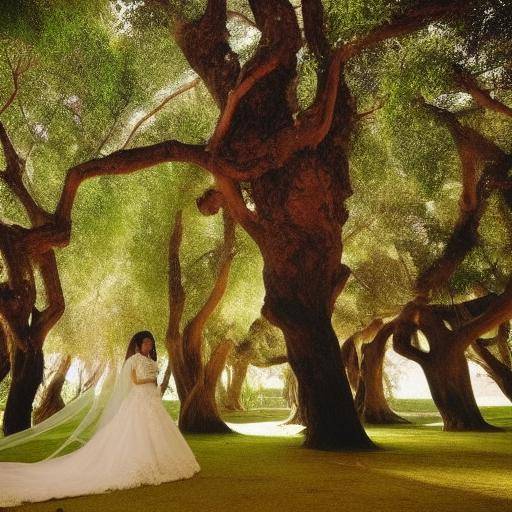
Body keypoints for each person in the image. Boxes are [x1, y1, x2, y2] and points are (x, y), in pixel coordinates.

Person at [0, 331, 200, 507]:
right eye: (146, 342)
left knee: (157, 431)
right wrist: (150, 381)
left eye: (151, 342)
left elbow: (151, 379)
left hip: (152, 400)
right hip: (139, 400)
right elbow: (136, 381)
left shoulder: (152, 361)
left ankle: (162, 463)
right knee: (137, 432)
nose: (149, 345)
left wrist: (155, 386)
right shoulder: (133, 360)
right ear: (138, 344)